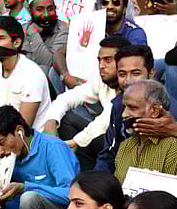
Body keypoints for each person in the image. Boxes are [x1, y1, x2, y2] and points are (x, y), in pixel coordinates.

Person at [94, 45, 177, 173]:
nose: (128, 81)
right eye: (122, 74)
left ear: (151, 74)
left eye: (136, 73)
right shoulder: (119, 105)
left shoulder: (170, 110)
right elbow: (109, 154)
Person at [43, 35, 128, 171]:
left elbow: (106, 120)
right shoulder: (102, 79)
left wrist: (74, 142)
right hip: (102, 137)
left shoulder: (131, 86)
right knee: (66, 119)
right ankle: (76, 172)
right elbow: (68, 97)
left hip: (122, 144)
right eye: (99, 60)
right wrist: (51, 122)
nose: (101, 66)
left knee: (92, 137)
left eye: (108, 60)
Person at [114, 81, 177, 183]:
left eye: (133, 108)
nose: (124, 114)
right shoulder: (125, 146)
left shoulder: (175, 151)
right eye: (124, 107)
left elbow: (173, 193)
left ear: (154, 111)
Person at [0, 16, 52, 131]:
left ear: (16, 43)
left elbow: (23, 127)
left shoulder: (31, 75)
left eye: (0, 38)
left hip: (26, 138)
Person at [22, 0, 71, 84]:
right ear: (30, 11)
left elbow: (49, 63)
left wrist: (34, 34)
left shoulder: (63, 30)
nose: (46, 15)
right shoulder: (23, 29)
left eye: (50, 9)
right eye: (39, 9)